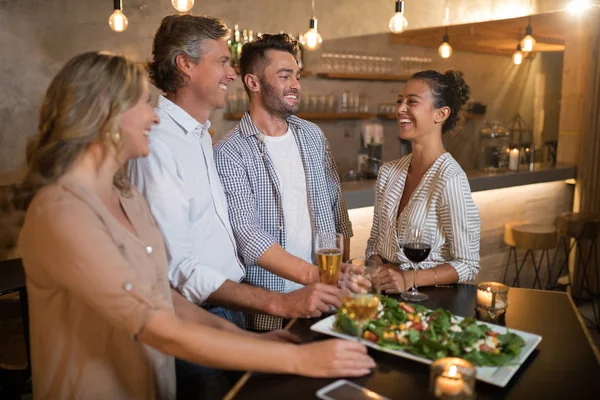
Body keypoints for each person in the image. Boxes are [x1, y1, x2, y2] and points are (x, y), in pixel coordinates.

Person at [17, 51, 374, 400]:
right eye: (143, 103)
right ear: (105, 114)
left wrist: (250, 340)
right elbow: (159, 328)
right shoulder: (61, 212)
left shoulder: (125, 197)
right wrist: (299, 358)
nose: (155, 118)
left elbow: (166, 298)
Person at [129, 16, 343, 333]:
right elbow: (179, 266)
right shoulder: (160, 143)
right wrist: (292, 294)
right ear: (185, 64)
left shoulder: (198, 135)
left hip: (228, 307)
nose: (232, 74)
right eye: (222, 62)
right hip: (197, 312)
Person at [213, 34, 353, 331]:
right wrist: (314, 277)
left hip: (327, 303)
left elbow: (337, 210)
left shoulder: (313, 135)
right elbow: (248, 236)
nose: (296, 85)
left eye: (297, 76)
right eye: (284, 76)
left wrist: (338, 281)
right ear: (253, 82)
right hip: (271, 310)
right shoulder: (230, 152)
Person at [366, 70, 481, 293]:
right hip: (386, 297)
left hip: (431, 302)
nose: (400, 109)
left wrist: (410, 278)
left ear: (441, 114)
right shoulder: (388, 172)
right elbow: (374, 242)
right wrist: (375, 267)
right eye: (400, 101)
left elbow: (468, 264)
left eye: (412, 102)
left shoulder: (450, 178)